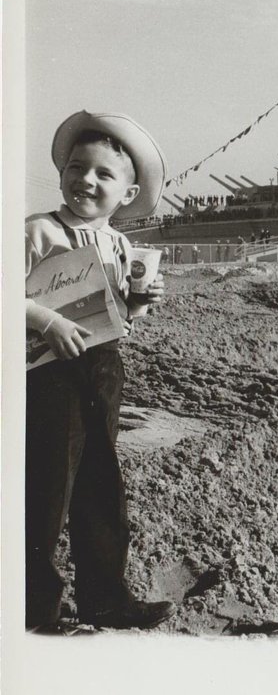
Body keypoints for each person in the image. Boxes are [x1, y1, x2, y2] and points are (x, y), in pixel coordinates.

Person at [24, 111, 175, 632]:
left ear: (128, 194)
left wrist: (139, 301)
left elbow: (119, 316)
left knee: (100, 483)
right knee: (45, 488)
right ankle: (34, 610)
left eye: (103, 175)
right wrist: (46, 322)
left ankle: (105, 597)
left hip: (104, 367)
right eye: (76, 167)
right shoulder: (38, 231)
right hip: (47, 372)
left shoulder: (122, 245)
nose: (85, 180)